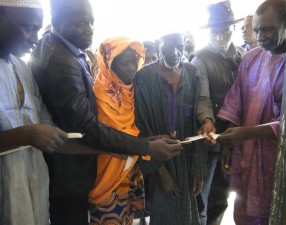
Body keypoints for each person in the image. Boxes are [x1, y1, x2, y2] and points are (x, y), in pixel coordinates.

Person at [29, 0, 182, 224]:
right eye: (81, 23)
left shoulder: (66, 51)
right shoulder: (62, 63)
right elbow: (88, 129)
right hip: (70, 175)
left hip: (80, 169)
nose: (90, 30)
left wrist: (145, 141)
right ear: (56, 23)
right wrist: (147, 147)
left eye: (91, 22)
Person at [217, 0, 286, 224]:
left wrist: (247, 133)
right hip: (245, 154)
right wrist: (230, 142)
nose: (259, 37)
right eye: (256, 30)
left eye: (267, 30)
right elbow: (235, 101)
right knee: (243, 211)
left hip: (275, 159)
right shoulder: (251, 58)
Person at [134, 32, 215, 225]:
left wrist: (197, 169)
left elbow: (199, 114)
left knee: (188, 213)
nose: (174, 52)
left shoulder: (192, 73)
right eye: (167, 47)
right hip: (158, 160)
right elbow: (142, 128)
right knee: (163, 213)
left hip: (187, 159)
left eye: (179, 46)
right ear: (157, 45)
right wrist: (162, 173)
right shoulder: (143, 77)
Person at [0, 1, 68, 224]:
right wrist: (25, 135)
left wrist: (128, 145)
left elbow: (47, 128)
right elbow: (32, 133)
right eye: (28, 28)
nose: (36, 38)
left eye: (38, 29)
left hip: (33, 194)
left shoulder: (22, 68)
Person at [189, 1, 244, 224]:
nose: (220, 36)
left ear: (232, 29)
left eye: (225, 30)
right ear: (208, 32)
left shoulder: (243, 55)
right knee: (202, 196)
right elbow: (202, 97)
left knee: (222, 196)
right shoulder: (200, 59)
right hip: (210, 139)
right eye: (215, 31)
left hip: (235, 138)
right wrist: (207, 120)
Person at [89, 37, 149, 224]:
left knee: (127, 217)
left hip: (130, 165)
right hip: (110, 166)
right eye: (125, 62)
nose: (132, 67)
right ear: (110, 63)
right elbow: (111, 131)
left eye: (134, 61)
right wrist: (146, 145)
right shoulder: (102, 88)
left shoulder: (132, 87)